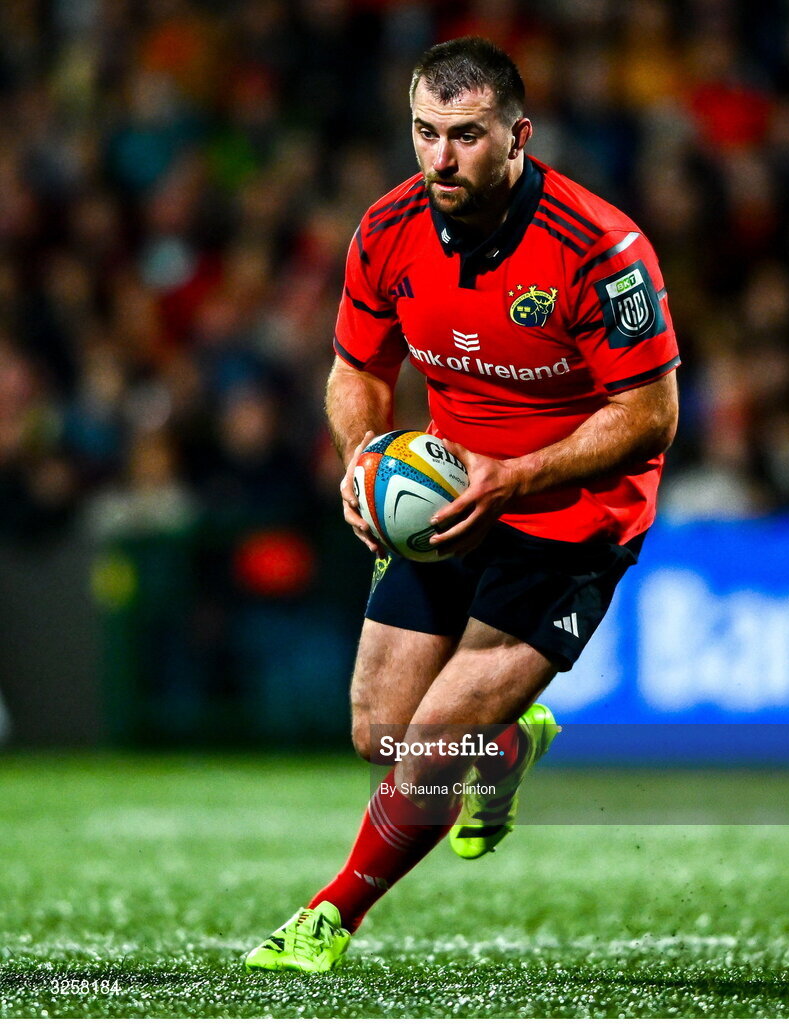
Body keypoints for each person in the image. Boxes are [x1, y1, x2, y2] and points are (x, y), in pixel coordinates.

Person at [245, 36, 679, 973]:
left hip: (570, 522)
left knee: (433, 741)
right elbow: (358, 368)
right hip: (446, 506)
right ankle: (511, 742)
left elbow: (650, 416)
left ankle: (330, 915)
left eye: (467, 137)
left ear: (518, 136)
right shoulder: (386, 229)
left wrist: (515, 476)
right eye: (425, 133)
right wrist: (361, 458)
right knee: (379, 733)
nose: (441, 158)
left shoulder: (600, 250)